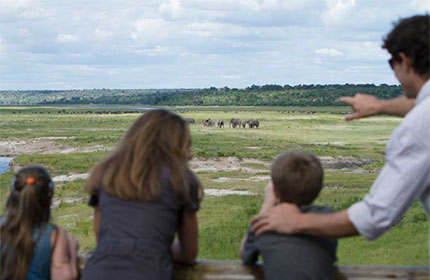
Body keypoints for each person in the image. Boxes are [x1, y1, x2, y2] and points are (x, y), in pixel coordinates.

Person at [251, 15, 429, 241]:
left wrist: (298, 222)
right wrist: (379, 106)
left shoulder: (417, 128)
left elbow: (376, 216)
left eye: (391, 64)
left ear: (405, 61)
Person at [81, 109, 203, 280]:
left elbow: (102, 237)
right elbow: (189, 254)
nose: (190, 155)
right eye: (185, 145)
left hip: (97, 272)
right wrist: (155, 246)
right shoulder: (181, 179)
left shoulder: (106, 173)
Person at [240, 151, 337, 280]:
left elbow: (244, 254)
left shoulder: (267, 224)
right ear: (319, 189)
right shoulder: (328, 218)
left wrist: (267, 205)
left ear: (274, 191)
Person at [0, 165, 79, 280]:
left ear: (10, 196)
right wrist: (72, 249)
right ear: (49, 201)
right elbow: (66, 276)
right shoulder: (54, 236)